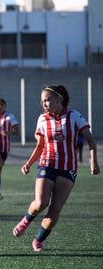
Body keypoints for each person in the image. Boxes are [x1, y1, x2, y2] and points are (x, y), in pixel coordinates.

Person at [13, 85, 100, 252]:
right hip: (47, 164)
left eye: (47, 99)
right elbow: (40, 146)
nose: (44, 103)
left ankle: (38, 240)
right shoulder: (42, 119)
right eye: (42, 101)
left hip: (68, 169)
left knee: (56, 208)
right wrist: (28, 163)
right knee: (41, 203)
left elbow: (91, 142)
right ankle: (26, 221)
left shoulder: (74, 116)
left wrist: (93, 162)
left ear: (59, 99)